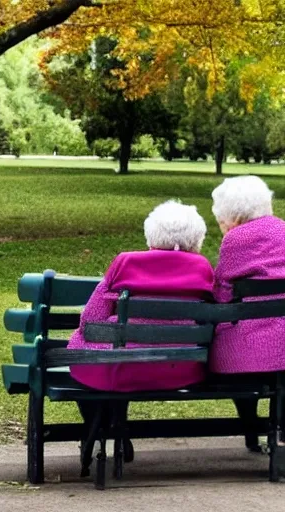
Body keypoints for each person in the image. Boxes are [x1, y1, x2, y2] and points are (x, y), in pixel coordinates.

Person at [67, 200, 214, 393]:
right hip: (179, 369)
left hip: (119, 368)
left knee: (88, 349)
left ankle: (102, 422)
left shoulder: (126, 263)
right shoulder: (202, 268)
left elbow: (91, 320)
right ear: (197, 240)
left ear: (151, 237)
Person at [210, 175, 285, 451]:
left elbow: (222, 293)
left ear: (234, 216)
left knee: (232, 344)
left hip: (248, 356)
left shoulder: (236, 239)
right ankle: (279, 435)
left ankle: (251, 427)